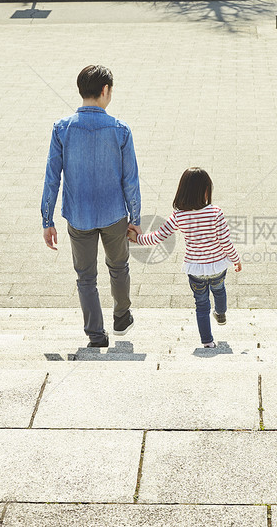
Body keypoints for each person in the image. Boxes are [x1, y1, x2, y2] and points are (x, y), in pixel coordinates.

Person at [41, 65, 142, 348]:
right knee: (119, 266)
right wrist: (135, 217)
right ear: (105, 91)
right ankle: (121, 316)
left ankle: (96, 335)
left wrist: (46, 220)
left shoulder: (62, 128)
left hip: (78, 214)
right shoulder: (120, 130)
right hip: (114, 215)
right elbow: (130, 180)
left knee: (86, 277)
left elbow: (52, 177)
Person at [128, 168, 241, 348]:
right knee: (219, 291)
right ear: (206, 191)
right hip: (218, 267)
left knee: (201, 305)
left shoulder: (179, 216)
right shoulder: (216, 212)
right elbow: (225, 242)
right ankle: (220, 313)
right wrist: (236, 259)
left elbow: (158, 237)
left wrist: (138, 239)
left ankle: (207, 342)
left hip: (195, 270)